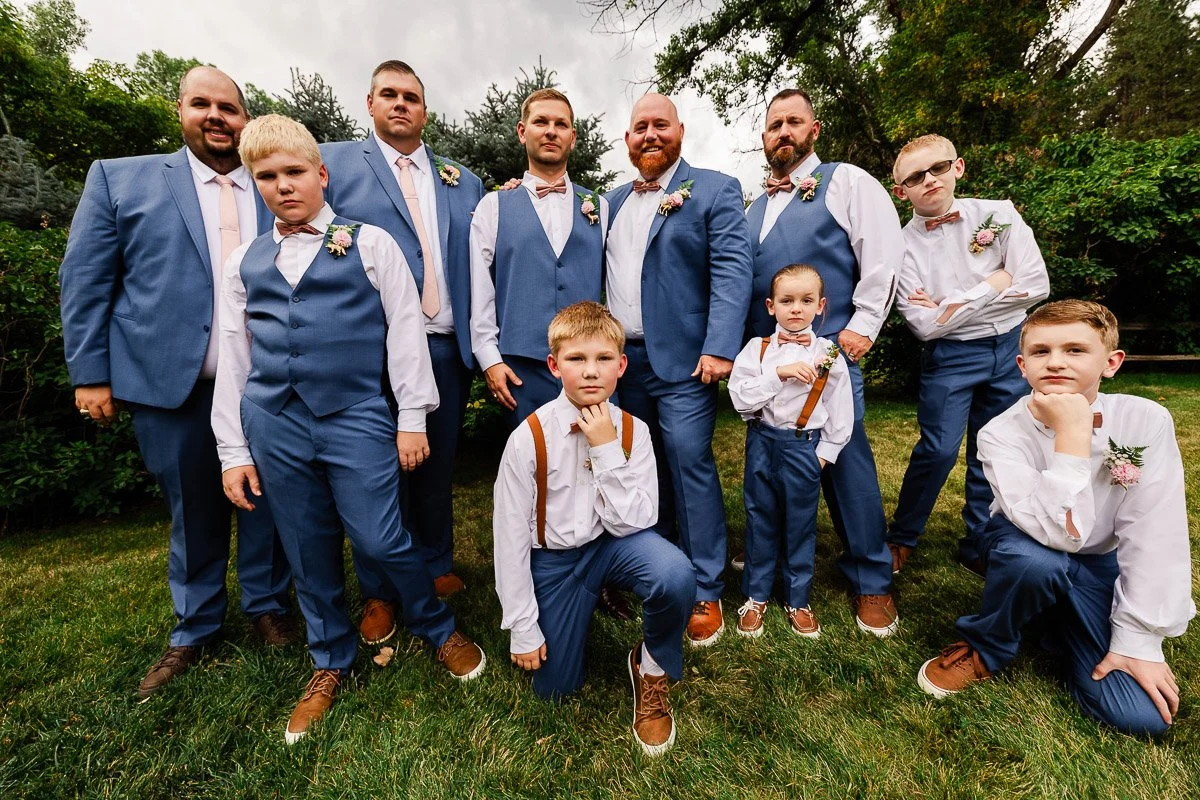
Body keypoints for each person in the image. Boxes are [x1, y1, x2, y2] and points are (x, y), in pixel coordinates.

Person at [213, 114, 485, 744]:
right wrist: (233, 448)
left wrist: (412, 417)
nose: (283, 186)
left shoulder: (369, 243)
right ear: (256, 184)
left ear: (321, 173)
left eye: (295, 172)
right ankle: (328, 658)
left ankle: (436, 626)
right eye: (268, 177)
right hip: (274, 419)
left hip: (357, 413)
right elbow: (235, 354)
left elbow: (405, 333)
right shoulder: (243, 261)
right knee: (307, 546)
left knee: (384, 538)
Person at [59, 66, 294, 700]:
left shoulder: (275, 183)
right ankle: (195, 624)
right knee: (192, 507)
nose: (217, 116)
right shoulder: (120, 177)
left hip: (266, 380)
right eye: (202, 105)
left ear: (246, 118)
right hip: (171, 379)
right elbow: (86, 281)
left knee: (267, 501)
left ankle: (268, 606)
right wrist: (90, 373)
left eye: (229, 107)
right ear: (181, 110)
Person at [917, 301, 1195, 737]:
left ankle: (1057, 622)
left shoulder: (1148, 419)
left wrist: (1139, 641)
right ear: (1022, 366)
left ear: (1111, 363)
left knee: (1139, 719)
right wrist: (1071, 435)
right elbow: (1050, 533)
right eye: (1042, 351)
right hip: (1025, 544)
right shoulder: (999, 434)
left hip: (1101, 561)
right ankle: (988, 645)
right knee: (1039, 564)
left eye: (1075, 350)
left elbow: (1154, 532)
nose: (1057, 362)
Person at [322, 61, 484, 641]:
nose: (400, 104)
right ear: (369, 104)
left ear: (425, 108)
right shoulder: (334, 164)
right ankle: (379, 591)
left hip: (444, 346)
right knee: (374, 473)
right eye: (388, 95)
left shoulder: (463, 180)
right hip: (370, 349)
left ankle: (435, 564)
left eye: (411, 97)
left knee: (435, 471)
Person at [493, 301, 695, 756]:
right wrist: (523, 627)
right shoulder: (529, 436)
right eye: (576, 359)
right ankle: (572, 612)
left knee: (674, 573)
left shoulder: (633, 431)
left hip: (613, 546)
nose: (590, 372)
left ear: (622, 365)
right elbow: (507, 538)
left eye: (604, 359)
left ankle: (651, 666)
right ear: (553, 365)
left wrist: (606, 449)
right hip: (555, 561)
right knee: (555, 690)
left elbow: (635, 523)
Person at [742, 88, 901, 637]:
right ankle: (771, 562)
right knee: (770, 461)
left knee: (845, 455)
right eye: (773, 125)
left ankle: (871, 578)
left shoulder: (847, 181)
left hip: (827, 349)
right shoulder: (754, 208)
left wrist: (863, 323)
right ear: (763, 140)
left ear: (813, 130)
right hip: (770, 357)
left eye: (793, 122)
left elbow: (881, 252)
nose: (782, 131)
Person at [605, 93, 753, 646]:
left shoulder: (715, 189)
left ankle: (707, 586)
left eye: (659, 125)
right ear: (627, 139)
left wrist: (719, 347)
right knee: (637, 467)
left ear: (680, 131)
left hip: (687, 360)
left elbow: (733, 272)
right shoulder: (611, 201)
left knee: (689, 462)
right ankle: (656, 567)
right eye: (639, 126)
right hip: (622, 362)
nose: (650, 135)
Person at [886, 134, 1050, 577]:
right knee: (937, 449)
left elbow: (1035, 286)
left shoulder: (1000, 214)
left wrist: (952, 303)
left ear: (957, 167)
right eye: (916, 177)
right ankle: (902, 536)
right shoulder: (900, 246)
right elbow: (923, 326)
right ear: (902, 192)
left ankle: (980, 540)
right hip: (951, 357)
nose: (930, 181)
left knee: (993, 447)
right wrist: (996, 283)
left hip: (1010, 347)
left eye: (938, 168)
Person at [728, 265, 853, 638]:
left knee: (800, 523)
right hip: (762, 441)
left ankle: (799, 598)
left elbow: (841, 408)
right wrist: (777, 375)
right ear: (771, 306)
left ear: (820, 306)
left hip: (804, 447)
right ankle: (756, 595)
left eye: (805, 301)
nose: (796, 308)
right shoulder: (756, 349)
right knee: (760, 516)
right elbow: (739, 399)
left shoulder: (827, 353)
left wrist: (823, 454)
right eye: (787, 301)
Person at [469, 88, 606, 423]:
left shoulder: (600, 207)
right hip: (522, 369)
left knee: (596, 463)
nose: (550, 131)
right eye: (540, 121)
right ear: (522, 131)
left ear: (572, 137)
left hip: (591, 367)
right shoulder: (494, 206)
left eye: (560, 124)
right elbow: (481, 290)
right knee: (534, 467)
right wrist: (490, 359)